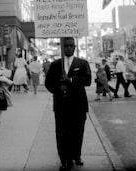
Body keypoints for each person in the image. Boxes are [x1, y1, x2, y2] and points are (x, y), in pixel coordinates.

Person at [45, 37, 92, 171]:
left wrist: (71, 79)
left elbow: (87, 80)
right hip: (61, 105)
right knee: (62, 133)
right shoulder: (55, 65)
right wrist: (58, 90)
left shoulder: (82, 63)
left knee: (77, 132)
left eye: (71, 45)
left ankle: (76, 156)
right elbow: (48, 83)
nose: (68, 48)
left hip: (78, 105)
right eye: (66, 46)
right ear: (62, 47)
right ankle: (65, 160)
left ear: (75, 47)